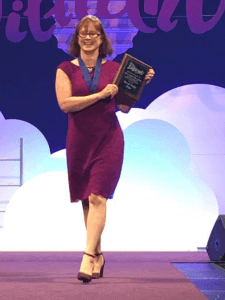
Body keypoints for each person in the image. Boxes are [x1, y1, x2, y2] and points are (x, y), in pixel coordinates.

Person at [55, 15, 155, 283]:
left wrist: (139, 85)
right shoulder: (65, 69)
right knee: (87, 200)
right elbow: (65, 104)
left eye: (94, 34)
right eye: (83, 33)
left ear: (102, 39)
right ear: (77, 39)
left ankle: (87, 256)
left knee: (99, 196)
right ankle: (98, 255)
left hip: (108, 139)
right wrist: (99, 96)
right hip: (78, 141)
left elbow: (122, 106)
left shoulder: (114, 69)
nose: (88, 38)